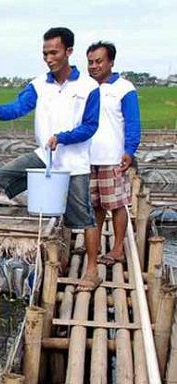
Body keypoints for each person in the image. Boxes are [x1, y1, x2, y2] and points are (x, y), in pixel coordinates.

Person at [0, 27, 102, 291]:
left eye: (54, 52)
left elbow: (90, 126)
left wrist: (62, 137)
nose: (49, 58)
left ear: (69, 52)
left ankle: (92, 270)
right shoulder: (39, 84)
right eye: (45, 53)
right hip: (44, 156)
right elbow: (19, 106)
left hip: (74, 163)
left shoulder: (89, 87)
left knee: (83, 218)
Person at [86, 41, 140, 266]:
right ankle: (94, 245)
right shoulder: (86, 87)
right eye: (90, 62)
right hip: (88, 157)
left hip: (112, 157)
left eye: (99, 61)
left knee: (117, 204)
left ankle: (118, 248)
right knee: (95, 205)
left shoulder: (124, 88)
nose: (94, 66)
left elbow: (133, 122)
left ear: (111, 62)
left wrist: (129, 150)